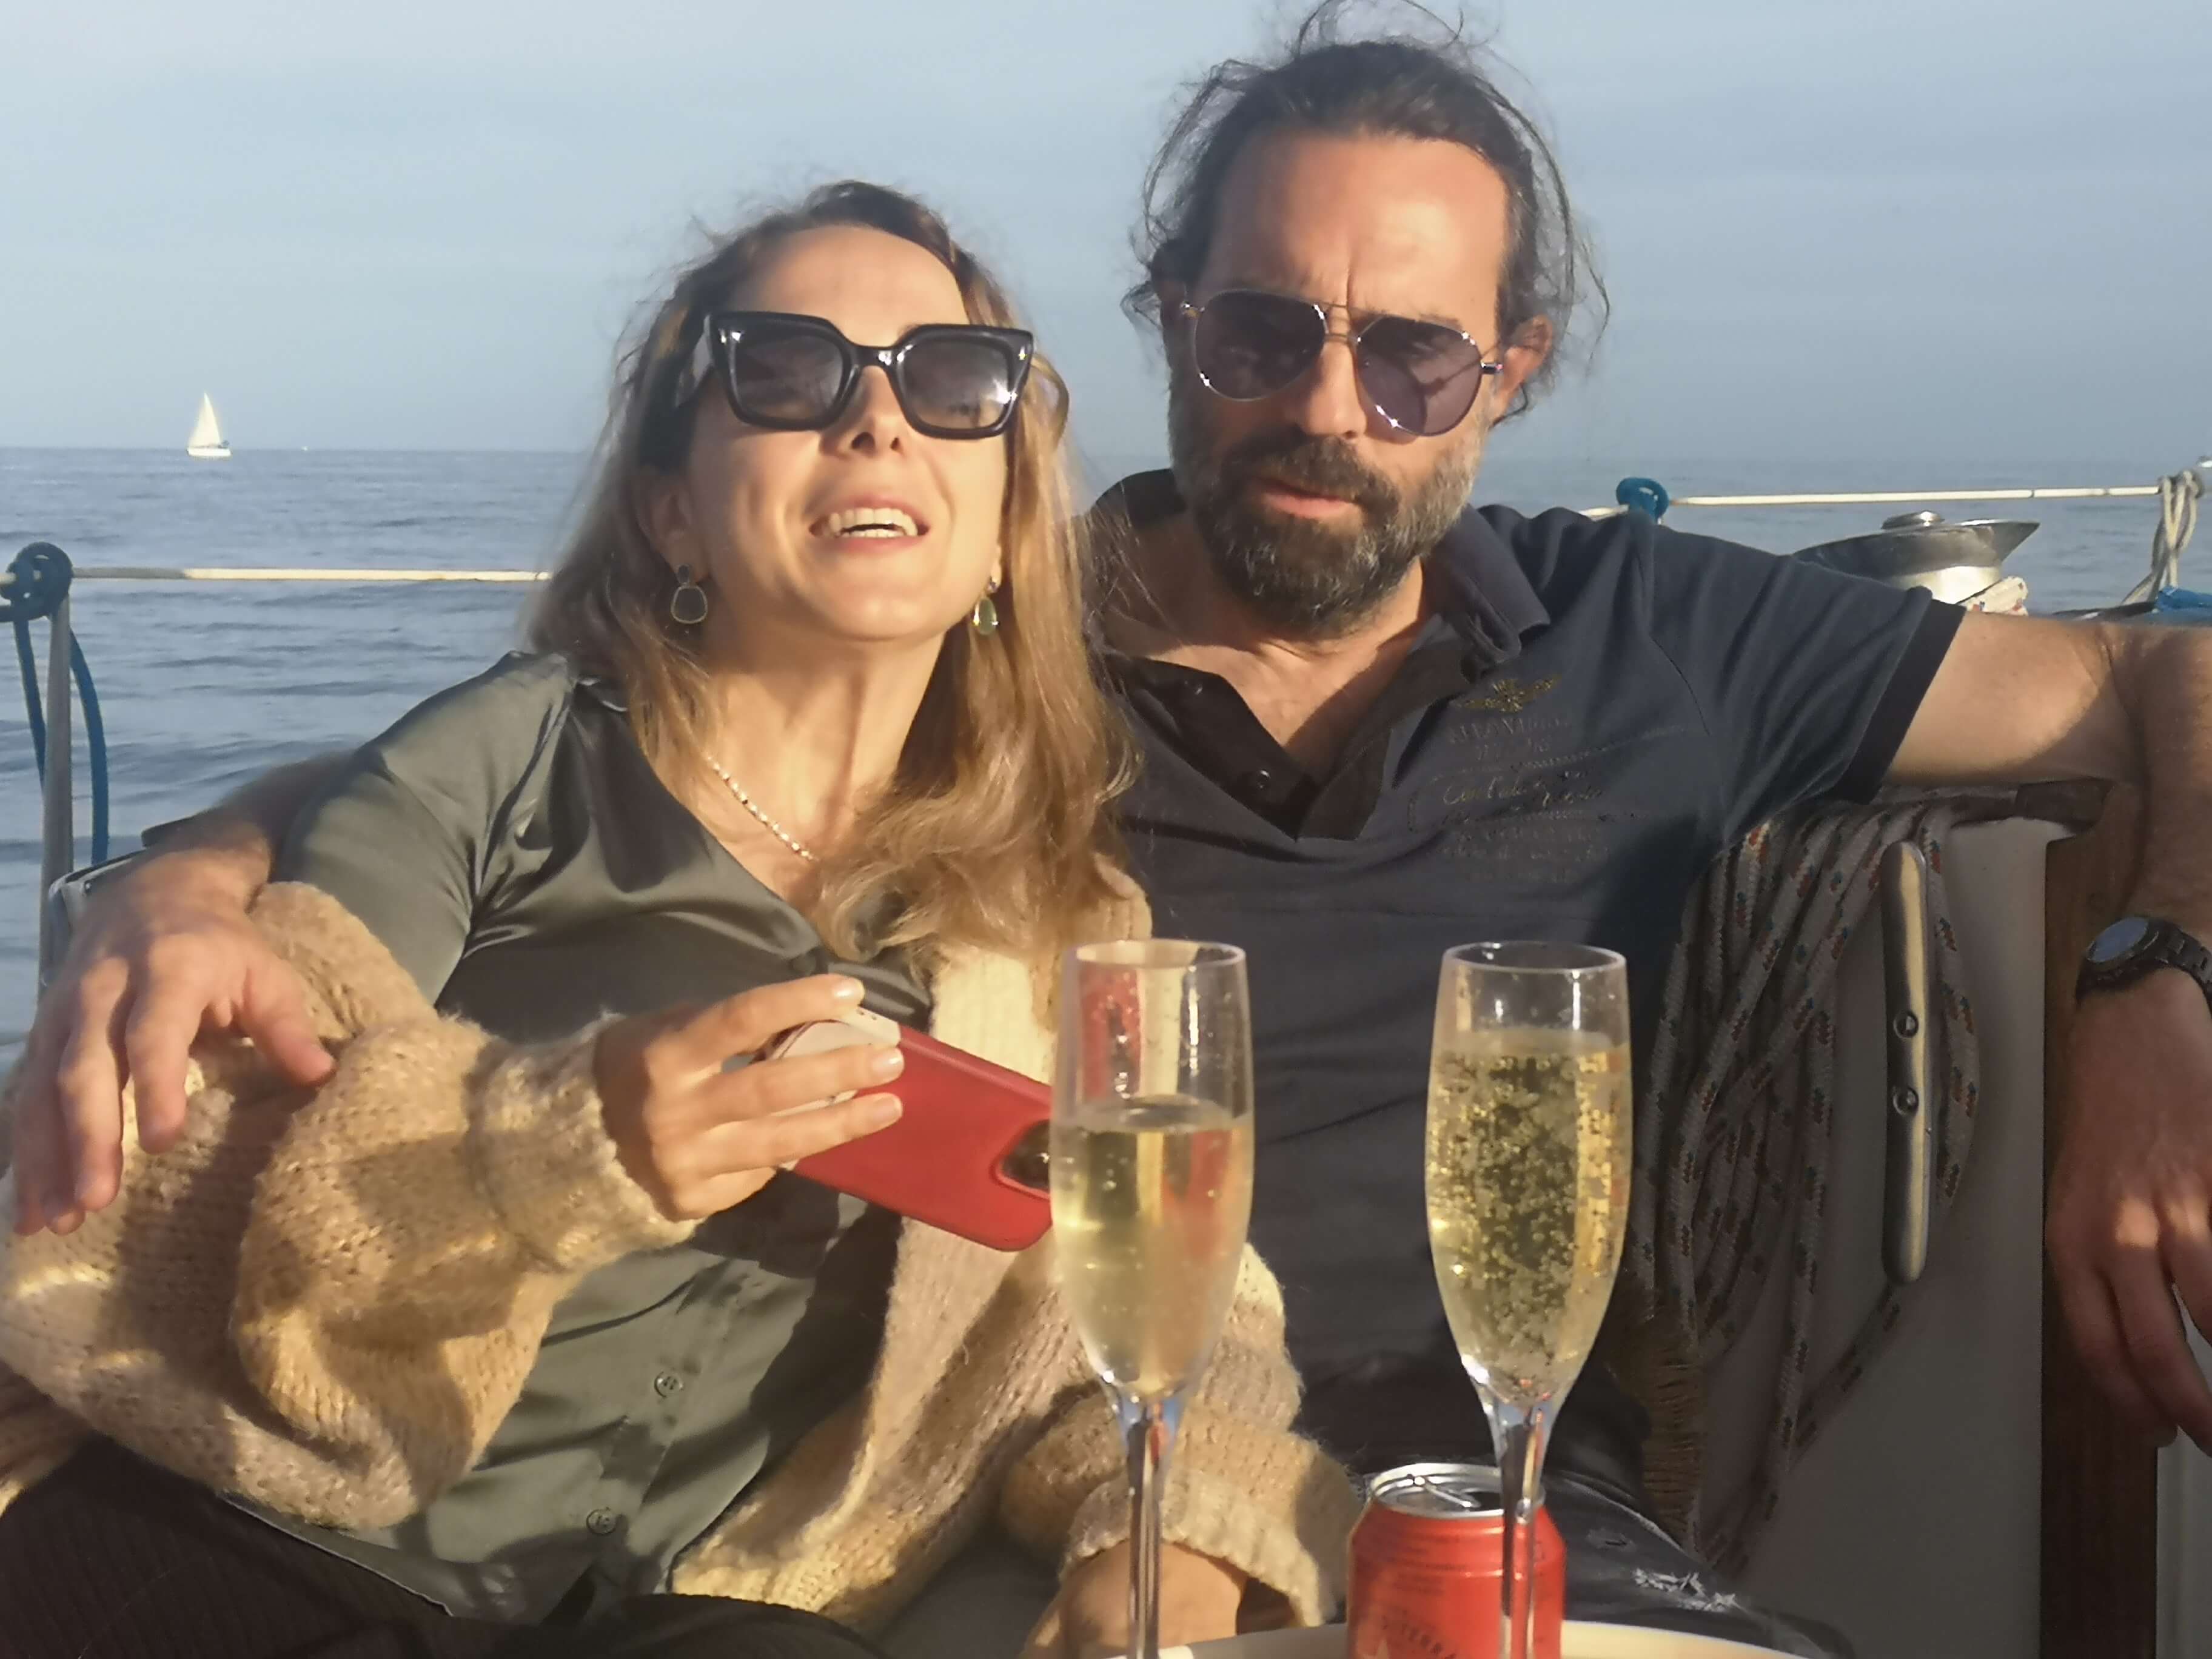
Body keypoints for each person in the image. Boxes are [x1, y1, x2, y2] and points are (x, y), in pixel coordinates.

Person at [15, 4, 2212, 1651]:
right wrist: (183, 876)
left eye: (1411, 360)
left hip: (1481, 1455)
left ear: (1512, 370)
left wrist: (2149, 982)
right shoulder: (984, 661)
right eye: (1260, 328)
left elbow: (2155, 678)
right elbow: (568, 755)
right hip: (1035, 1451)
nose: (1323, 408)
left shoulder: (1665, 631)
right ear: (1169, 318)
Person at [0, 181, 1355, 1659]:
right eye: (787, 372)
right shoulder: (511, 761)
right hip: (264, 1531)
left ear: (1007, 523)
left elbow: (1184, 1295)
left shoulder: (1061, 920)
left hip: (686, 1609)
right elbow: (220, 1163)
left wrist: (1169, 1538)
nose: (879, 419)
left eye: (956, 383)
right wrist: (565, 1144)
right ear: (672, 508)